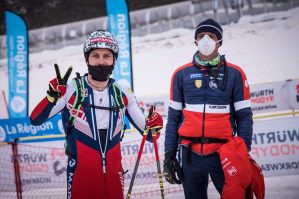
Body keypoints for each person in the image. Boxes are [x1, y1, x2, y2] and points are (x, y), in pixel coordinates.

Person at [30, 30, 163, 199]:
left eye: (107, 56)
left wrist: (155, 123)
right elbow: (35, 120)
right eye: (95, 55)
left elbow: (151, 135)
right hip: (81, 177)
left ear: (114, 59)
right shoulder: (72, 88)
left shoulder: (121, 90)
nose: (101, 61)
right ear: (87, 59)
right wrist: (50, 98)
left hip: (115, 176)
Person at [163, 19, 253, 199]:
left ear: (219, 41)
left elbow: (244, 117)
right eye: (201, 36)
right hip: (190, 154)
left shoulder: (235, 73)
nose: (206, 40)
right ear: (195, 41)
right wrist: (169, 154)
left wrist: (243, 150)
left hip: (224, 152)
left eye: (211, 36)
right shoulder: (181, 74)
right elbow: (174, 119)